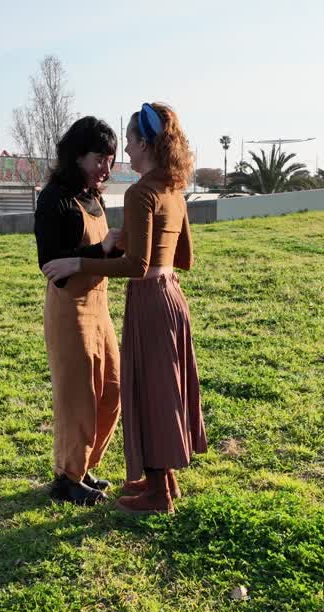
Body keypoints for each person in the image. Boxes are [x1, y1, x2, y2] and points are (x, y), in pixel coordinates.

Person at [42, 103, 206, 514]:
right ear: (77, 156)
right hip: (149, 297)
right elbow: (183, 253)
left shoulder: (137, 192)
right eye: (103, 158)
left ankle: (153, 487)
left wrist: (95, 258)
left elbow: (137, 264)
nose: (118, 161)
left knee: (134, 393)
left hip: (137, 300)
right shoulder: (172, 188)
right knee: (125, 394)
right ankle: (77, 477)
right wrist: (148, 259)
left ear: (145, 143)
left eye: (126, 147)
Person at [35, 116, 123, 506]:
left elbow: (98, 255)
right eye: (99, 158)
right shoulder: (54, 198)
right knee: (77, 397)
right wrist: (100, 251)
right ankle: (67, 478)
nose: (106, 167)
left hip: (100, 306)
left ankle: (84, 467)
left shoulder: (94, 196)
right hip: (70, 310)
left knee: (112, 390)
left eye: (110, 159)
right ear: (76, 156)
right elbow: (52, 266)